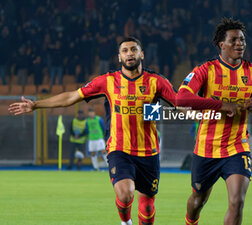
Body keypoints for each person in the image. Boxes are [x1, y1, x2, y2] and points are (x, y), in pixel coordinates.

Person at [8, 37, 177, 225]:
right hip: (119, 148)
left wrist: (208, 111)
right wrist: (36, 105)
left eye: (134, 49)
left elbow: (182, 103)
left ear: (142, 54)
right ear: (119, 57)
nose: (130, 53)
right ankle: (126, 221)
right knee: (126, 192)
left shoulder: (157, 82)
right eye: (125, 51)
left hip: (148, 152)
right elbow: (72, 96)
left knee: (146, 207)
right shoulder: (108, 81)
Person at [176, 18, 252, 225]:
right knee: (198, 200)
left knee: (237, 201)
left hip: (237, 147)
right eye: (233, 40)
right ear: (222, 45)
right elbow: (182, 98)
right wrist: (220, 105)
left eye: (242, 40)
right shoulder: (206, 70)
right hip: (206, 148)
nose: (239, 44)